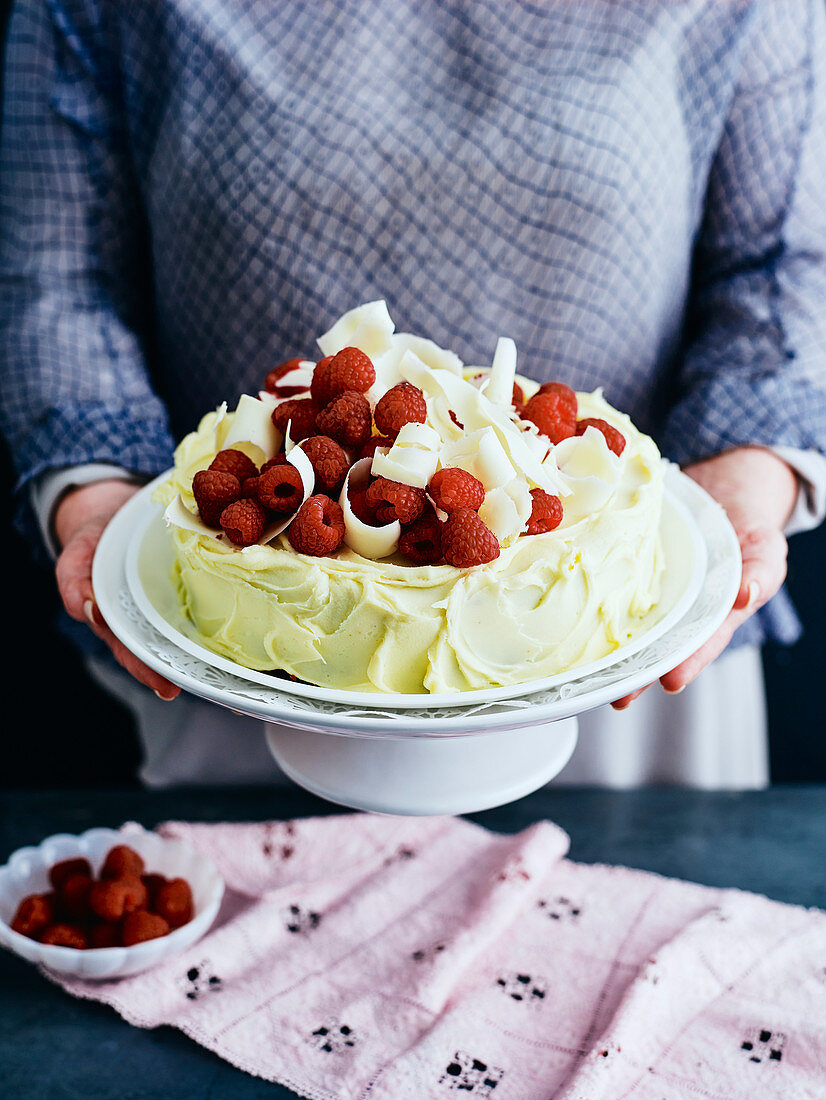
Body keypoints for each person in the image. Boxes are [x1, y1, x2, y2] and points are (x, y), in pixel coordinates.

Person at [2, 0, 825, 789]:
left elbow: (783, 264)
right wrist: (99, 491)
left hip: (623, 680)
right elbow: (56, 280)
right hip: (245, 666)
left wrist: (739, 488)